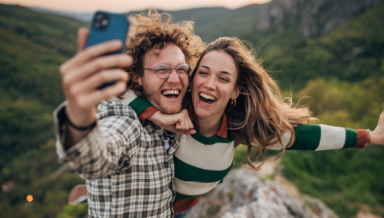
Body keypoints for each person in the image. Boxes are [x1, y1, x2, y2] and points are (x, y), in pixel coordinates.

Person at [124, 37, 384, 217]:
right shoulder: (169, 104)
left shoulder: (239, 127)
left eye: (223, 78)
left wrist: (368, 136)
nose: (210, 84)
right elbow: (114, 87)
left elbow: (303, 136)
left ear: (236, 90)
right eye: (203, 73)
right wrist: (154, 115)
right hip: (133, 203)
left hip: (182, 210)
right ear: (192, 79)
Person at [54, 10, 204, 217]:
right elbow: (94, 159)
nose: (174, 78)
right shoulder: (126, 121)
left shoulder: (171, 109)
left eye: (181, 69)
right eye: (162, 69)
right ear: (137, 77)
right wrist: (79, 117)